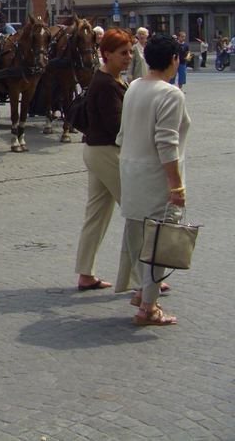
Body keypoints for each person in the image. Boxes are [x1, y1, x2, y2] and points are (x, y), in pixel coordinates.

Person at [116, 33, 190, 326]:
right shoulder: (171, 94)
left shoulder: (134, 86)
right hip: (155, 177)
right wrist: (177, 184)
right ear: (173, 60)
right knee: (160, 242)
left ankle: (144, 294)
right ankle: (148, 307)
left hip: (131, 172)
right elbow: (167, 143)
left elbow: (123, 134)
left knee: (138, 239)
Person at [75, 28, 138, 291]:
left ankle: (85, 273)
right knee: (137, 210)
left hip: (96, 149)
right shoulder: (106, 83)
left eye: (131, 52)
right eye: (123, 53)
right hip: (106, 151)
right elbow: (116, 126)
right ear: (107, 54)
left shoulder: (111, 78)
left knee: (97, 213)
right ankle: (140, 278)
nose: (129, 57)